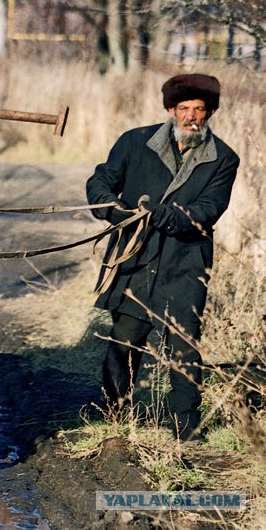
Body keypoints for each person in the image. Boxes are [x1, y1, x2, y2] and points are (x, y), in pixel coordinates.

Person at [86, 73, 239, 442]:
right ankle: (113, 413)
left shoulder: (224, 159)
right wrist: (114, 210)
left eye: (199, 110)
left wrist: (162, 214)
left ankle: (186, 426)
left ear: (211, 113)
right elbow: (100, 182)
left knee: (185, 346)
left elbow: (208, 209)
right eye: (183, 108)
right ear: (171, 110)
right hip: (135, 260)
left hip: (184, 265)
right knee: (124, 339)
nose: (191, 117)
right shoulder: (134, 142)